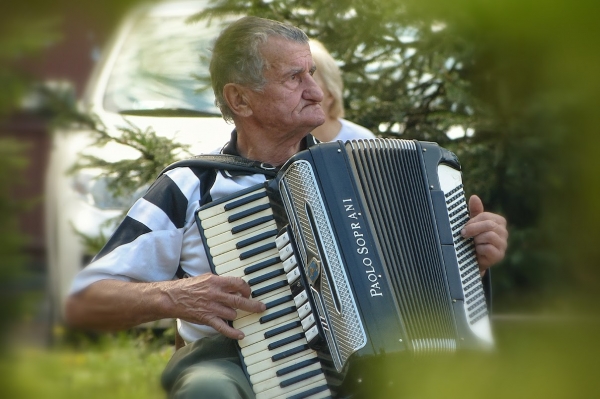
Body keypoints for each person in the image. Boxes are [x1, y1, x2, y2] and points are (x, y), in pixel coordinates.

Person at [65, 16, 509, 399]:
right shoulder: (192, 185)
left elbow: (422, 288)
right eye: (295, 78)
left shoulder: (359, 172)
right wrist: (174, 296)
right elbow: (84, 301)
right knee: (207, 389)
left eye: (312, 74)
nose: (317, 92)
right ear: (240, 99)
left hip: (373, 363)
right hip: (234, 361)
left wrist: (475, 259)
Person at [308, 39, 376, 142]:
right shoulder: (283, 144)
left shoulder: (361, 141)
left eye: (311, 78)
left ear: (331, 93)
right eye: (294, 78)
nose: (300, 90)